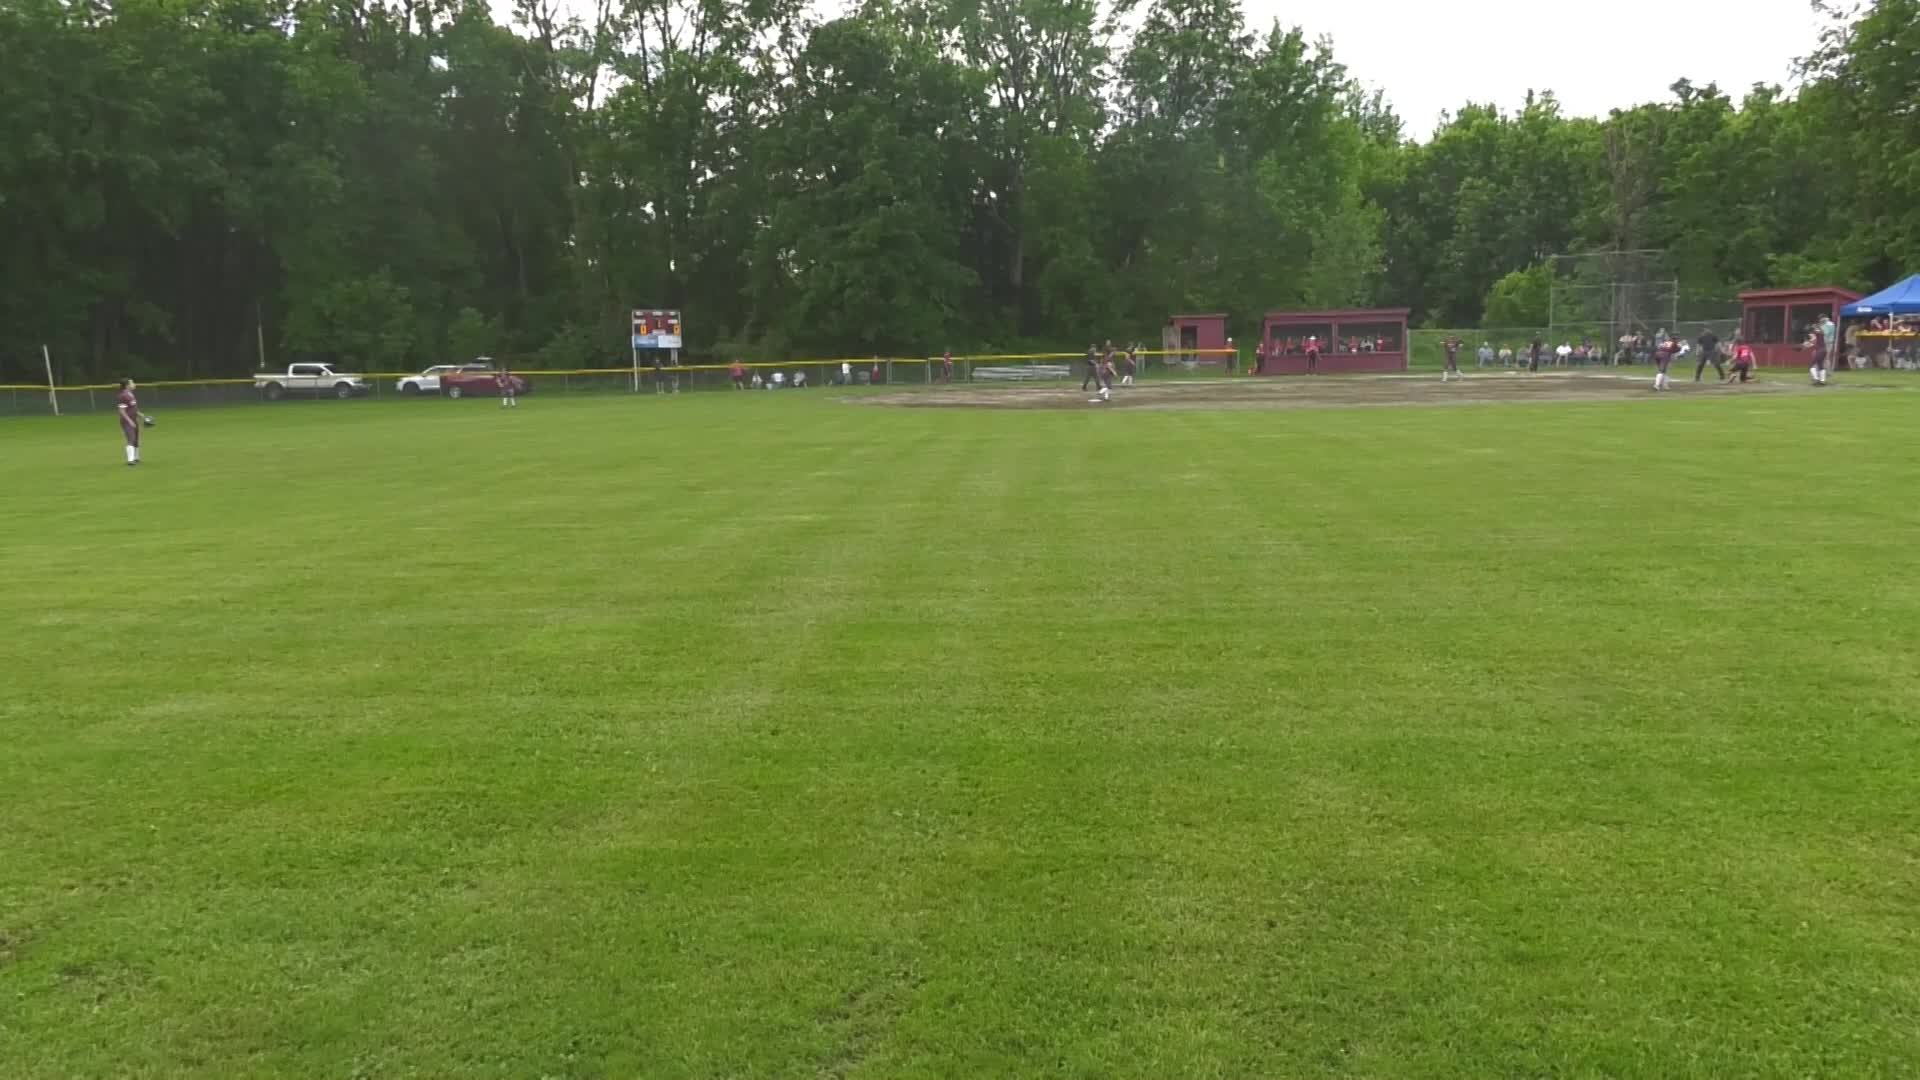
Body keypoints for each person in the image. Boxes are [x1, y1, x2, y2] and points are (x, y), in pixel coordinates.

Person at [115, 378, 150, 466]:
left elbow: (133, 409)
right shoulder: (123, 396)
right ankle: (130, 460)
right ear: (127, 385)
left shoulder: (131, 395)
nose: (134, 384)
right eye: (132, 383)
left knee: (136, 440)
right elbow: (121, 411)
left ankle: (136, 458)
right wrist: (130, 421)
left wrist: (141, 415)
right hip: (127, 421)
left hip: (134, 419)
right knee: (131, 439)